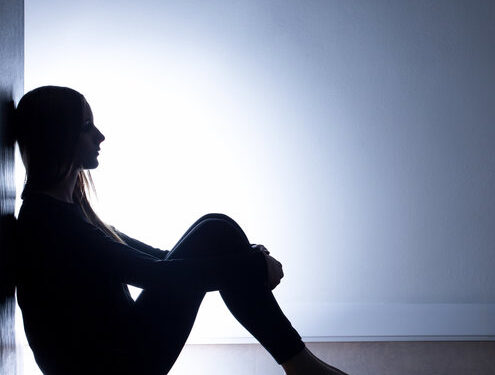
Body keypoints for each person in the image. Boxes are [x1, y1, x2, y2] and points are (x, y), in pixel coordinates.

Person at [13, 85, 349, 375]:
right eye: (87, 128)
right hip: (112, 366)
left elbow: (160, 260)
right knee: (216, 231)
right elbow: (155, 274)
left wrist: (245, 260)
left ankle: (299, 363)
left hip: (121, 349)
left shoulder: (69, 209)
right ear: (59, 137)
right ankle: (300, 363)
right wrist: (251, 266)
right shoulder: (50, 224)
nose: (100, 136)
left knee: (215, 229)